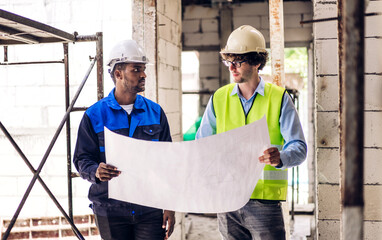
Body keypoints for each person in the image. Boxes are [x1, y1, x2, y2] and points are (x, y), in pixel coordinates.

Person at [195, 25, 307, 240]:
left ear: (257, 62)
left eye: (239, 61)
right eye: (229, 61)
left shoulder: (279, 98)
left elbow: (299, 148)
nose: (231, 67)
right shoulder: (219, 98)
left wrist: (280, 157)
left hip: (264, 202)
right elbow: (203, 145)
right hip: (227, 198)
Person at [73, 39, 175, 240]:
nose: (144, 74)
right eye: (136, 69)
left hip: (150, 208)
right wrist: (96, 171)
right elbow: (81, 159)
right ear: (118, 74)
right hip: (110, 210)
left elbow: (169, 163)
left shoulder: (155, 113)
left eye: (143, 69)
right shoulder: (95, 115)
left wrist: (170, 205)